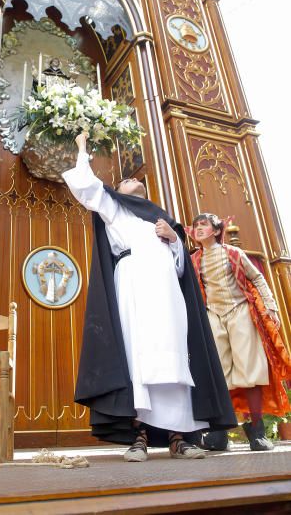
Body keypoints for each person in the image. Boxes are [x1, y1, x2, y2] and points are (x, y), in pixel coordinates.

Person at [62, 134, 236, 462]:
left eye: (135, 179)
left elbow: (181, 267)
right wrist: (82, 147)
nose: (131, 180)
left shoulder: (164, 220)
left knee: (173, 355)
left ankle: (179, 437)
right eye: (125, 179)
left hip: (167, 292)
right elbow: (86, 187)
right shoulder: (114, 208)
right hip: (132, 284)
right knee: (138, 356)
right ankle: (139, 436)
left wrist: (174, 241)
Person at [190, 213, 291, 451]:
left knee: (250, 371)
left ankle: (257, 432)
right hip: (213, 315)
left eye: (203, 224)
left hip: (240, 312)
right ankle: (219, 433)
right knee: (219, 373)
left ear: (216, 230)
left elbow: (257, 279)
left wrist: (271, 306)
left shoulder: (234, 253)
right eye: (195, 226)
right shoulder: (194, 259)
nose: (198, 228)